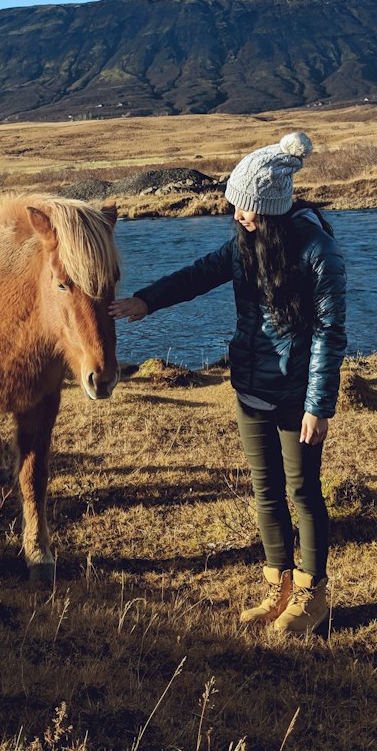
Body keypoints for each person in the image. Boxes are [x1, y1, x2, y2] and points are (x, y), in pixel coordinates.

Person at [110, 132, 346, 636]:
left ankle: (312, 595)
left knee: (303, 493)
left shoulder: (318, 252)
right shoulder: (243, 245)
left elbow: (330, 332)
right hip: (250, 390)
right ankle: (277, 586)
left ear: (273, 210)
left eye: (246, 208)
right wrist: (144, 301)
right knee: (266, 492)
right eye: (234, 206)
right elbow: (195, 276)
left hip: (296, 396)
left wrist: (318, 405)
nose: (237, 215)